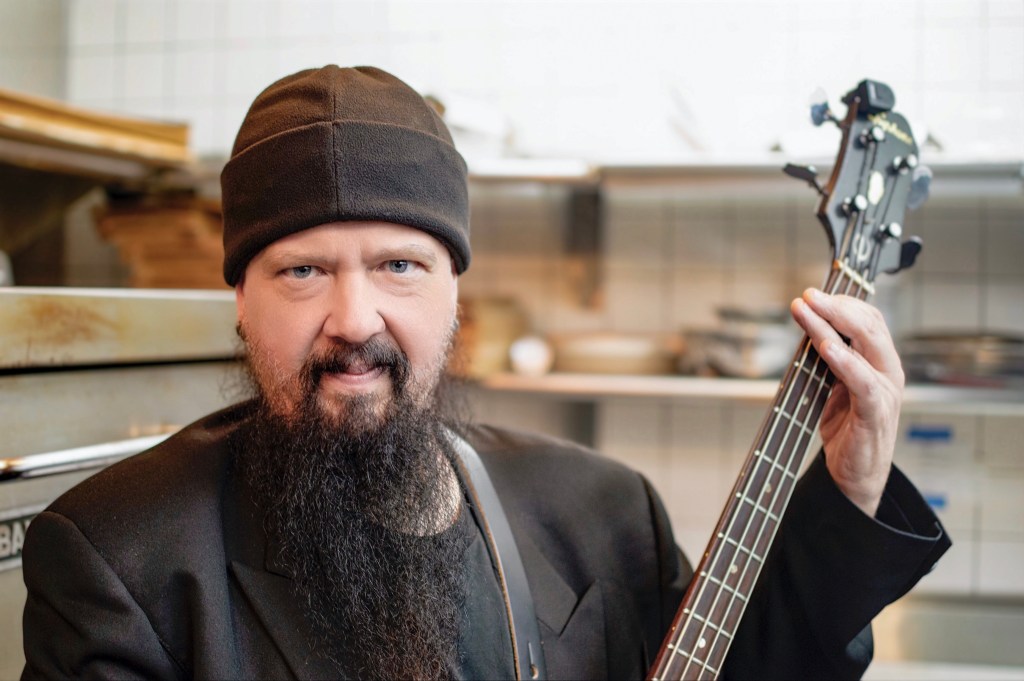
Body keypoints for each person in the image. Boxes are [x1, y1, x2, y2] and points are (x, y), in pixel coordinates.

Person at [21, 65, 950, 680]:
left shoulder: (604, 510)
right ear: (239, 299)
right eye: (301, 271)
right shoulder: (118, 559)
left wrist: (850, 486)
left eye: (400, 265)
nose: (354, 319)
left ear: (455, 291)